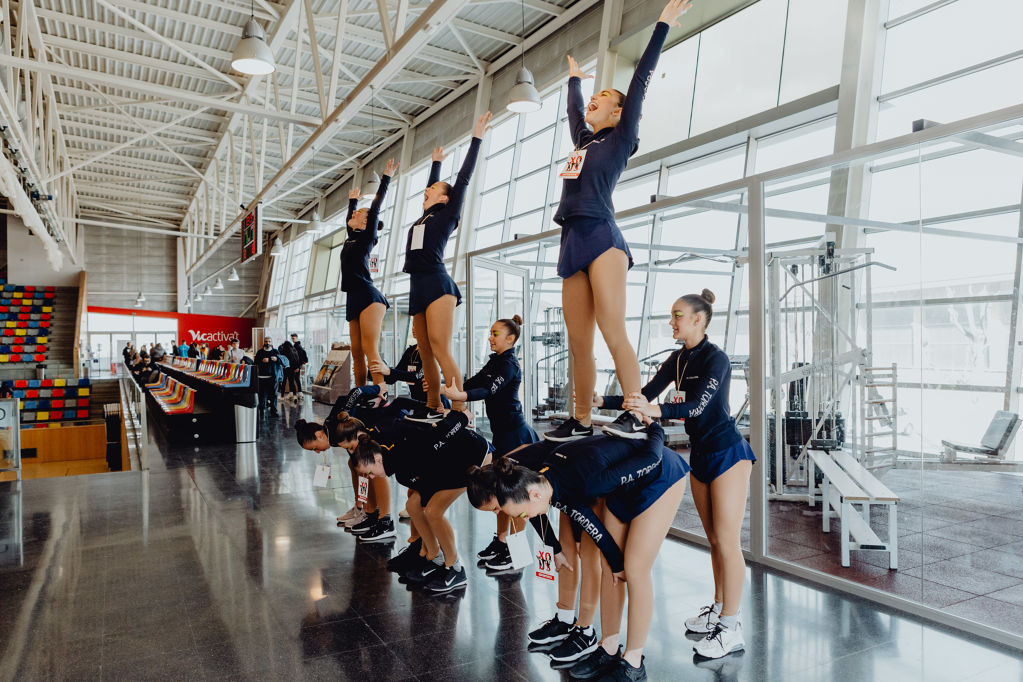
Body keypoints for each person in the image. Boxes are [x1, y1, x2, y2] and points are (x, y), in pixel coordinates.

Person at [543, 0, 693, 444]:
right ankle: (582, 417)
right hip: (571, 241)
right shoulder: (584, 144)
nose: (595, 100)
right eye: (595, 95)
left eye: (603, 99)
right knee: (578, 343)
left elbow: (639, 83)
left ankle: (638, 411)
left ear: (618, 114)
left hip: (603, 239)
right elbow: (574, 113)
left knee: (612, 330)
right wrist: (573, 80)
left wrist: (661, 27)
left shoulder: (622, 138)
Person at [606, 290, 755, 660]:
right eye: (672, 315)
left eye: (678, 315)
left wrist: (653, 410)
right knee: (713, 540)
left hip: (729, 454)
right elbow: (646, 393)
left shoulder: (716, 359)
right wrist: (600, 401)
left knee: (727, 539)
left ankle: (732, 626)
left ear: (698, 320)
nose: (671, 322)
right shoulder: (678, 358)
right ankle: (719, 609)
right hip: (700, 454)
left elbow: (697, 405)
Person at [494, 421, 690, 681]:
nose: (522, 517)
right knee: (613, 567)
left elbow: (651, 455)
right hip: (620, 487)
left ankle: (634, 662)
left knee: (635, 569)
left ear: (533, 494)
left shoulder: (589, 484)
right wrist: (612, 561)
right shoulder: (552, 485)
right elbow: (593, 526)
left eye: (520, 512)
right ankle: (608, 646)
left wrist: (654, 426)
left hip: (660, 474)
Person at [401, 112, 491, 424]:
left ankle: (459, 411)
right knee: (424, 351)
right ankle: (434, 406)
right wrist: (435, 165)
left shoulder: (448, 213)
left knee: (440, 348)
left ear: (445, 196)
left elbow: (463, 179)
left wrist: (476, 139)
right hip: (417, 285)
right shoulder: (424, 215)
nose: (426, 190)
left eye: (434, 187)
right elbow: (431, 188)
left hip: (438, 284)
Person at [440, 314, 539, 566]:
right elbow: (475, 382)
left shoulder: (509, 365)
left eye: (495, 333)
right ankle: (502, 540)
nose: (490, 337)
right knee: (500, 492)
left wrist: (460, 393)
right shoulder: (495, 362)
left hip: (517, 436)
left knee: (515, 496)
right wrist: (446, 385)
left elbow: (487, 390)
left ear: (510, 338)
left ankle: (516, 552)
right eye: (491, 332)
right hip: (503, 436)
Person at [344, 159, 398, 399]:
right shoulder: (351, 238)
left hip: (369, 296)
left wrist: (386, 178)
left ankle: (381, 396)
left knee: (370, 350)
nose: (354, 214)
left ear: (367, 223)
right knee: (356, 353)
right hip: (353, 296)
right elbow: (352, 218)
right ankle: (360, 395)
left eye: (359, 213)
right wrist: (352, 202)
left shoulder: (367, 238)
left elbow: (374, 211)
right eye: (354, 212)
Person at [254, 337, 280, 417]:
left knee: (274, 395)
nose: (267, 343)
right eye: (266, 341)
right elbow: (255, 362)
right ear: (264, 342)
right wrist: (262, 361)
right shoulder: (260, 352)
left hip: (273, 377)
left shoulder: (275, 351)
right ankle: (262, 411)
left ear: (271, 342)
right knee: (262, 395)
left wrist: (275, 359)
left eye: (269, 341)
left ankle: (274, 411)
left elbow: (280, 361)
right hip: (261, 377)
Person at [278, 336, 301, 401]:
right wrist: (297, 367)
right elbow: (297, 360)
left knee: (284, 382)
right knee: (292, 382)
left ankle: (282, 396)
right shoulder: (294, 351)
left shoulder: (284, 352)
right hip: (293, 369)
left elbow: (282, 360)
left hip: (285, 368)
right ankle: (294, 396)